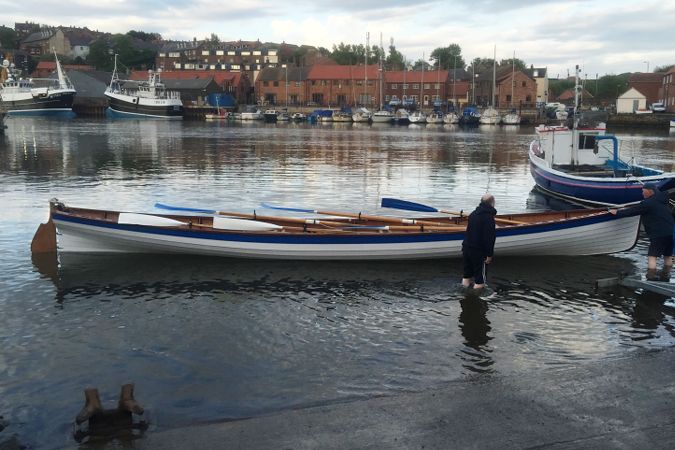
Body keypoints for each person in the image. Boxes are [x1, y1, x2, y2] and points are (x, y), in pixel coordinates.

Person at [609, 183, 673, 280]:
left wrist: (617, 212)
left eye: (643, 191)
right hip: (671, 232)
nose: (642, 193)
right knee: (668, 256)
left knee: (652, 256)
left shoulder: (648, 203)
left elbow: (633, 211)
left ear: (650, 191)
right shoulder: (663, 201)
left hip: (658, 234)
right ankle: (666, 275)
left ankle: (651, 277)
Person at [462, 193, 497, 290]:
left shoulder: (473, 214)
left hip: (466, 248)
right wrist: (489, 255)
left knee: (466, 275)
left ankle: (464, 293)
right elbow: (489, 239)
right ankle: (476, 299)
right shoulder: (488, 218)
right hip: (478, 252)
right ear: (492, 203)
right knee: (480, 280)